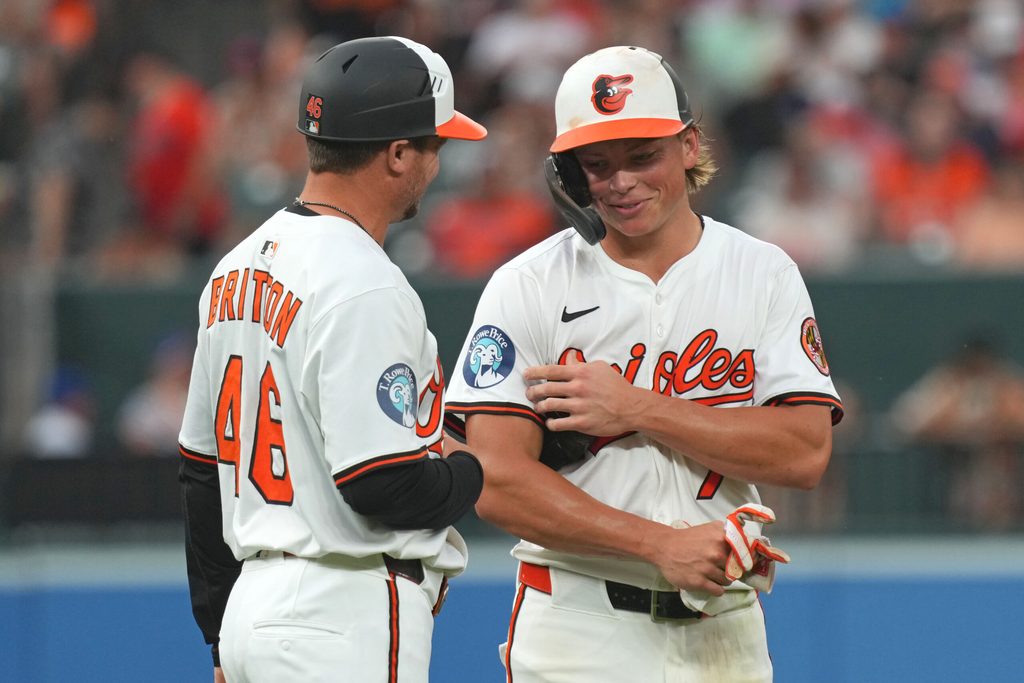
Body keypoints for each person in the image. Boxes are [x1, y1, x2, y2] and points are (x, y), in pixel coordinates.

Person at [444, 45, 843, 682]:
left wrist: (636, 407)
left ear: (689, 145)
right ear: (569, 174)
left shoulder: (762, 272)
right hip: (576, 624)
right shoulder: (529, 284)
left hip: (725, 627)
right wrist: (660, 545)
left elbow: (803, 453)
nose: (621, 182)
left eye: (642, 156)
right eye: (596, 165)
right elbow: (493, 479)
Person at [177, 36, 487, 683]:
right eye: (437, 145)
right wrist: (475, 469)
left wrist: (218, 636)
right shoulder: (363, 280)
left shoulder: (232, 269)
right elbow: (383, 483)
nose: (439, 163)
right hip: (341, 613)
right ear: (399, 153)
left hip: (252, 612)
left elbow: (201, 476)